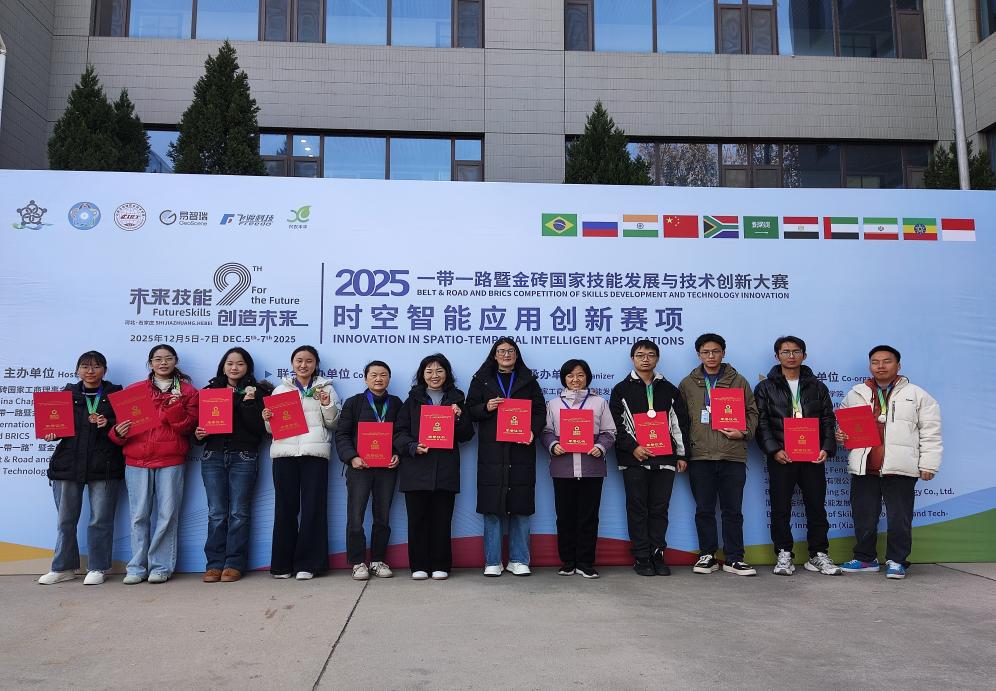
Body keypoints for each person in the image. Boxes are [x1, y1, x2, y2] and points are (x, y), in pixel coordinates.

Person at [836, 346, 942, 579]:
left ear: (898, 365)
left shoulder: (917, 395)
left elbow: (931, 432)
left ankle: (897, 560)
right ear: (870, 366)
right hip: (865, 467)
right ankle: (866, 558)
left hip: (900, 467)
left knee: (899, 518)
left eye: (887, 361)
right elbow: (843, 426)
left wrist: (929, 464)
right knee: (863, 516)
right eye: (875, 362)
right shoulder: (856, 394)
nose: (880, 366)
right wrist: (841, 434)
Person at [109, 344, 198, 584]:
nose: (163, 363)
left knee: (167, 516)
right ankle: (136, 567)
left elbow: (188, 428)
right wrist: (117, 432)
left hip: (171, 460)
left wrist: (175, 407)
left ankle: (160, 567)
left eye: (168, 358)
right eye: (158, 359)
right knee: (138, 516)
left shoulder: (188, 392)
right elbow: (117, 429)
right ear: (150, 363)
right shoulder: (134, 390)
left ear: (176, 361)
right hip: (136, 461)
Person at [754, 336, 841, 576]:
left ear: (804, 355)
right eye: (785, 352)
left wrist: (826, 448)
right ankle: (784, 553)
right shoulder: (765, 387)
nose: (791, 356)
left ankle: (818, 554)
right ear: (777, 356)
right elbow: (761, 422)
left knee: (816, 507)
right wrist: (773, 450)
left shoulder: (817, 386)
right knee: (780, 508)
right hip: (782, 456)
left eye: (796, 351)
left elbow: (827, 419)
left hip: (813, 456)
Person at [38, 351, 124, 586]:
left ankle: (98, 567)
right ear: (77, 370)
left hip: (104, 465)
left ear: (104, 370)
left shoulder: (117, 396)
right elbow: (56, 426)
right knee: (65, 520)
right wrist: (51, 433)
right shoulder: (64, 396)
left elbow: (128, 426)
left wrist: (109, 423)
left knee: (100, 521)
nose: (90, 371)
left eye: (96, 366)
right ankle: (63, 568)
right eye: (85, 366)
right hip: (68, 464)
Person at [678, 334, 759, 576]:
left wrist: (743, 432)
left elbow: (753, 412)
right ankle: (707, 555)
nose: (711, 356)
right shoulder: (688, 383)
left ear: (723, 353)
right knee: (704, 509)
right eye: (706, 352)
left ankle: (734, 558)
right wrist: (683, 452)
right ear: (698, 354)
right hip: (700, 456)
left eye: (715, 351)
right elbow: (680, 420)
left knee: (732, 510)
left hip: (731, 454)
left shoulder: (739, 381)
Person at [609, 339, 689, 577]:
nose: (645, 359)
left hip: (665, 458)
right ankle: (641, 556)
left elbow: (679, 423)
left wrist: (681, 454)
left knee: (659, 509)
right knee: (637, 509)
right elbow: (616, 425)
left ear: (657, 359)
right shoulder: (621, 390)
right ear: (632, 358)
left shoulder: (670, 389)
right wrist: (633, 447)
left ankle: (658, 554)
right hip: (633, 460)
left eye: (651, 355)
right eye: (640, 355)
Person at [467, 337, 545, 577]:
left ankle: (519, 559)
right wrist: (486, 407)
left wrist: (532, 431)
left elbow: (540, 411)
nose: (506, 354)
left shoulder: (528, 380)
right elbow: (470, 410)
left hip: (521, 450)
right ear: (494, 355)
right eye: (501, 351)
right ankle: (492, 561)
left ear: (517, 354)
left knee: (520, 506)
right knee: (492, 506)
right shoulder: (481, 379)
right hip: (492, 452)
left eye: (511, 350)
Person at [193, 348, 272, 583]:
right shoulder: (209, 392)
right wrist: (198, 435)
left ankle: (234, 563)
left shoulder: (258, 392)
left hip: (244, 457)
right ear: (223, 366)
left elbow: (261, 431)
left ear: (248, 367)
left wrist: (248, 404)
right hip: (213, 457)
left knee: (239, 512)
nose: (234, 368)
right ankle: (214, 564)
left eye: (240, 363)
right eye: (229, 363)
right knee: (216, 513)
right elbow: (196, 429)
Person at [394, 354, 475, 580]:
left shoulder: (457, 400)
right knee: (417, 521)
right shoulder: (411, 401)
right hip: (416, 470)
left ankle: (441, 565)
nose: (434, 375)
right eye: (429, 371)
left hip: (445, 469)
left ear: (447, 374)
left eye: (439, 371)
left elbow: (467, 435)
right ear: (422, 375)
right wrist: (412, 446)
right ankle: (418, 565)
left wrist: (459, 418)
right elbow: (398, 433)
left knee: (442, 520)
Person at [263, 346, 340, 580]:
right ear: (292, 363)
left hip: (314, 454)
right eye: (299, 360)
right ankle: (282, 565)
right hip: (284, 455)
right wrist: (267, 419)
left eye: (308, 361)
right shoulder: (280, 389)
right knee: (284, 509)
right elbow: (272, 429)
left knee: (313, 509)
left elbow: (334, 423)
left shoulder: (326, 388)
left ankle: (309, 564)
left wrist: (327, 404)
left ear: (316, 364)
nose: (303, 365)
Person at [541, 358, 616, 579]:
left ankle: (585, 562)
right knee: (564, 516)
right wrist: (553, 445)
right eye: (571, 375)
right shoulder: (553, 404)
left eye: (580, 375)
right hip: (562, 468)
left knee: (589, 517)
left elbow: (610, 432)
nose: (575, 379)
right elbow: (545, 432)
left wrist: (600, 447)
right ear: (564, 378)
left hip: (591, 468)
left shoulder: (599, 402)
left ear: (587, 378)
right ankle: (567, 562)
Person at [335, 360, 403, 581]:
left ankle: (377, 560)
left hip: (386, 469)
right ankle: (357, 562)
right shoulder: (354, 403)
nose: (378, 379)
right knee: (355, 516)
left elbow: (402, 433)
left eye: (383, 375)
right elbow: (342, 434)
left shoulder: (396, 403)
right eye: (373, 375)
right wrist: (351, 457)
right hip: (360, 468)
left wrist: (398, 454)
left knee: (382, 516)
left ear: (389, 379)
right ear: (365, 379)